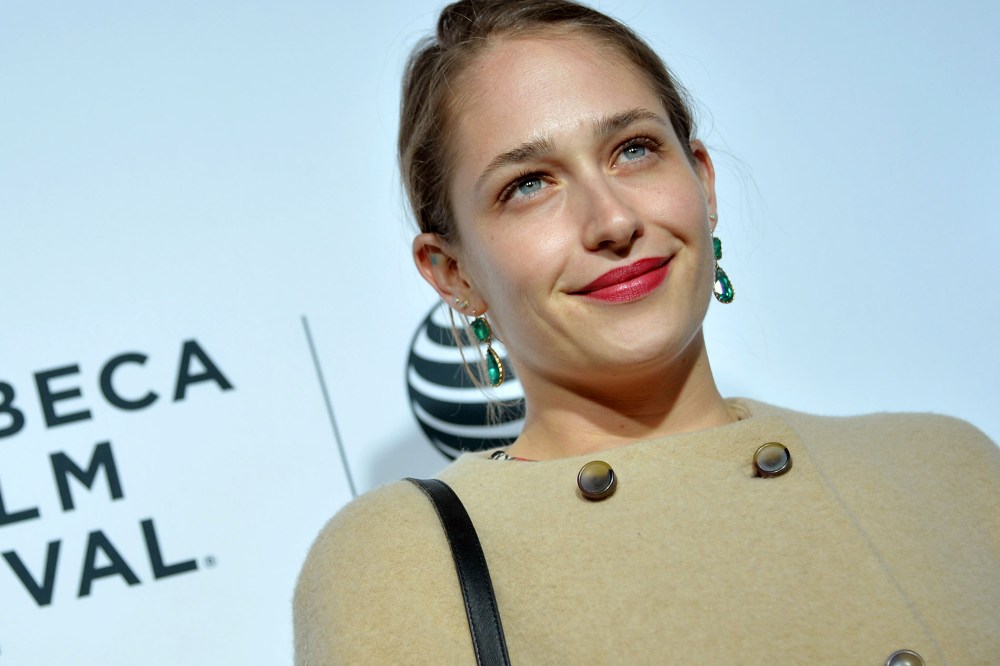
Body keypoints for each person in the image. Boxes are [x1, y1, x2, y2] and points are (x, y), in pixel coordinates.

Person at [294, 0, 1000, 662]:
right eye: (529, 184)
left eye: (632, 149)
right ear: (453, 273)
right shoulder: (398, 559)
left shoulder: (944, 467)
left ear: (703, 183)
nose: (612, 222)